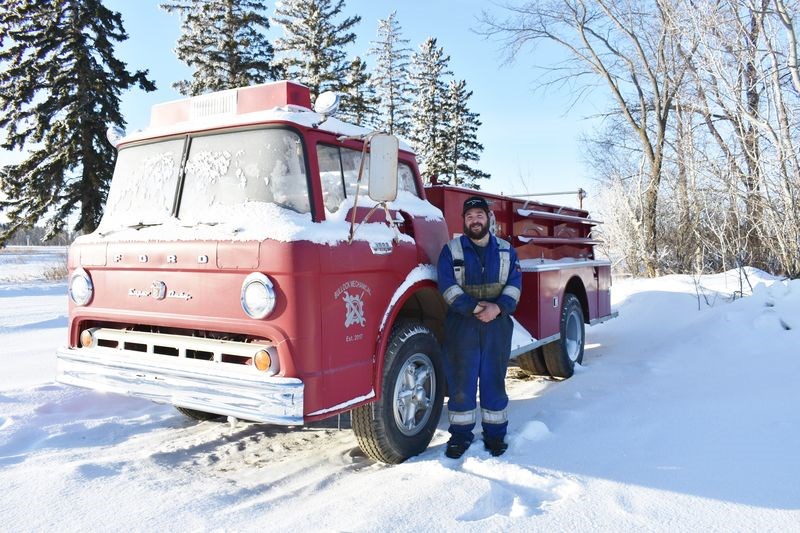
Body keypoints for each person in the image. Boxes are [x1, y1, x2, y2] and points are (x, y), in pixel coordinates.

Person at [437, 196, 522, 458]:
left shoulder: (507, 251)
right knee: (461, 382)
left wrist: (497, 309)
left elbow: (515, 285)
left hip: (497, 325)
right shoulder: (451, 251)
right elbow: (447, 287)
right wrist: (475, 309)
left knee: (493, 379)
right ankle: (460, 436)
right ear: (464, 221)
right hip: (462, 325)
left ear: (488, 218)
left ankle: (495, 436)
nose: (475, 220)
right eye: (470, 216)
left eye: (479, 215)